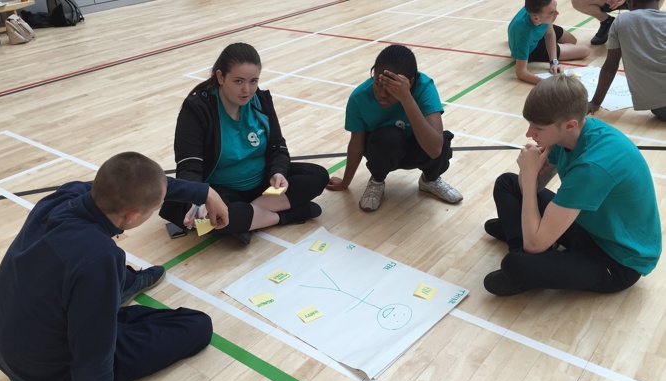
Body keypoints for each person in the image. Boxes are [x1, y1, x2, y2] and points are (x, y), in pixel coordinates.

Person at [0, 152, 230, 381]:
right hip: (52, 378)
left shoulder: (65, 196)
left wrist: (206, 193)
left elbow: (152, 184)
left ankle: (125, 283)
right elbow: (93, 359)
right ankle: (123, 286)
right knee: (197, 325)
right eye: (154, 208)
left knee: (96, 283)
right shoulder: (98, 258)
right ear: (133, 215)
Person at [483, 74, 661, 296]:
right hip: (589, 225)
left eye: (537, 127)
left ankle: (525, 256)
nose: (529, 134)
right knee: (507, 183)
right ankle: (529, 247)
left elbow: (534, 241)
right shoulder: (573, 134)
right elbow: (537, 187)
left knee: (515, 264)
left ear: (569, 125)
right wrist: (531, 175)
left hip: (617, 261)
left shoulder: (592, 166)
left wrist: (528, 176)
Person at [160, 42, 329, 245]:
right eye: (238, 81)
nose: (247, 90)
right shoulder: (197, 109)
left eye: (253, 81)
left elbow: (278, 146)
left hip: (261, 185)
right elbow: (189, 165)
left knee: (318, 176)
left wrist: (277, 172)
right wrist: (200, 198)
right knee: (206, 217)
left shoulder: (262, 101)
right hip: (220, 191)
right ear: (221, 77)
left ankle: (249, 218)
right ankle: (285, 216)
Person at [326, 44, 462, 212]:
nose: (383, 94)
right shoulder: (359, 97)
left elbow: (434, 149)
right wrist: (345, 183)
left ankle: (430, 180)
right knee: (387, 137)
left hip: (415, 149)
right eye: (378, 83)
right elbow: (356, 144)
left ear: (410, 83)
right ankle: (377, 180)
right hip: (382, 150)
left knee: (441, 141)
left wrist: (406, 99)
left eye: (391, 87)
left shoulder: (424, 88)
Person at [587, 0, 666, 121]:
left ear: (631, 3)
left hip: (661, 107)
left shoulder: (622, 21)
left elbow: (610, 66)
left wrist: (595, 102)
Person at [508, 0, 591, 85]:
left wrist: (554, 62)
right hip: (532, 48)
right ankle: (519, 47)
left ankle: (558, 49)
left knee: (572, 41)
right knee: (585, 50)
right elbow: (521, 72)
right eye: (551, 12)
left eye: (555, 6)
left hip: (539, 28)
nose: (557, 13)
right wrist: (547, 83)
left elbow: (549, 33)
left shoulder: (542, 13)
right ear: (536, 18)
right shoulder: (523, 35)